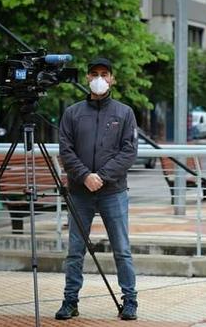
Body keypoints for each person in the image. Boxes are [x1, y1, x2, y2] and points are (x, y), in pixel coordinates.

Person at [55, 57, 139, 320]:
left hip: (112, 191)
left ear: (112, 78)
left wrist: (101, 176)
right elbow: (65, 150)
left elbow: (129, 152)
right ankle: (70, 301)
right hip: (80, 192)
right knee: (75, 250)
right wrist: (84, 176)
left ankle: (130, 300)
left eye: (104, 74)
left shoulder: (124, 113)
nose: (100, 78)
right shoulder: (73, 113)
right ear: (87, 78)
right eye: (94, 74)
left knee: (122, 249)